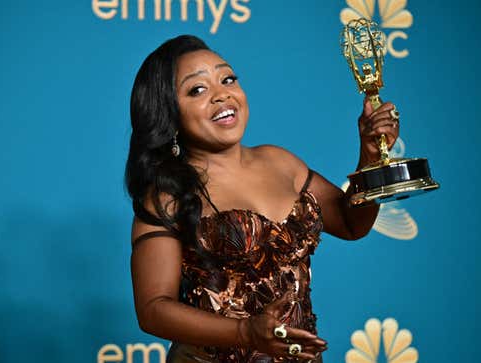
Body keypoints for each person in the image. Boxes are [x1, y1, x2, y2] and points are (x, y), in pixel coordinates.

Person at [125, 35, 400, 363]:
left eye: (228, 79)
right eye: (198, 89)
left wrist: (369, 158)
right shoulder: (167, 196)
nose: (222, 94)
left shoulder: (281, 162)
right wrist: (245, 332)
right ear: (169, 114)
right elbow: (153, 309)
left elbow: (351, 222)